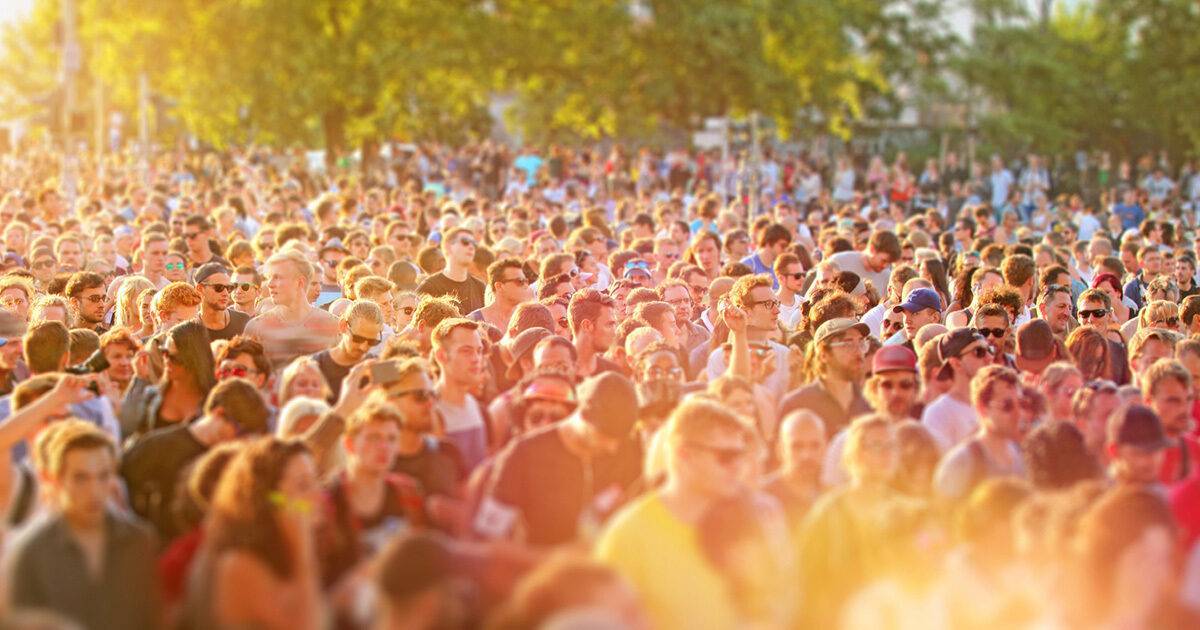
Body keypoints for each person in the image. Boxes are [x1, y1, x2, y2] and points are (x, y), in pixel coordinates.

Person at [596, 398, 755, 630]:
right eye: (726, 457)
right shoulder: (628, 535)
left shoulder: (746, 522)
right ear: (684, 455)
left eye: (740, 456)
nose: (738, 467)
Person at [4, 420, 161, 630]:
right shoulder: (30, 552)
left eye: (103, 476)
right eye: (81, 478)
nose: (94, 491)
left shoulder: (139, 541)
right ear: (57, 480)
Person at [476, 372, 641, 546]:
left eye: (618, 440)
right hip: (539, 565)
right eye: (603, 437)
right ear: (582, 416)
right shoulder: (525, 453)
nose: (611, 448)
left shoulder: (625, 449)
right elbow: (489, 538)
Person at [183, 438, 325, 630]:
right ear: (270, 499)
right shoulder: (239, 564)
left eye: (316, 481)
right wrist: (303, 555)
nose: (319, 495)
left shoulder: (283, 549)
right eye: (304, 485)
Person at [121, 378, 270, 541]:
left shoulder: (235, 462)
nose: (241, 443)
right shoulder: (158, 447)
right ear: (218, 413)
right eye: (240, 431)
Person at [934, 365, 1027, 501]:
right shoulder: (962, 463)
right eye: (1006, 405)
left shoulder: (1023, 457)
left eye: (1021, 403)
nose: (1018, 412)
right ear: (982, 408)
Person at [245, 249, 340, 369]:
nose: (270, 284)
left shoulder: (333, 326)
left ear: (300, 283)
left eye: (278, 277)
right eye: (269, 277)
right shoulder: (257, 328)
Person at [779, 318, 871, 437]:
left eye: (861, 343)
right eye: (848, 344)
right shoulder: (798, 404)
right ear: (823, 354)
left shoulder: (870, 403)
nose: (859, 352)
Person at [431, 318, 489, 471]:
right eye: (466, 351)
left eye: (479, 351)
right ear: (441, 356)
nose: (476, 359)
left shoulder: (474, 405)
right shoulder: (429, 411)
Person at [921, 328, 993, 452]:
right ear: (956, 364)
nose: (989, 358)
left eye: (989, 350)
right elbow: (942, 466)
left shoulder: (1001, 402)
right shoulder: (939, 412)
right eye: (979, 352)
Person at [761, 410, 827, 530]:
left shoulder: (831, 497)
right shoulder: (763, 498)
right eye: (797, 446)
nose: (806, 455)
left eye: (815, 445)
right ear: (780, 450)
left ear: (825, 448)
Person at [312, 300, 384, 402]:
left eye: (371, 341)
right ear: (343, 326)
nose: (363, 347)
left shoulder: (379, 367)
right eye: (358, 339)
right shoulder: (316, 366)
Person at [417, 227, 486, 314]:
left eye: (474, 244)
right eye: (465, 242)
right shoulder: (429, 287)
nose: (471, 247)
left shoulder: (480, 287)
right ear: (448, 247)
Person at [567, 289, 621, 379]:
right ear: (587, 326)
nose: (615, 333)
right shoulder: (557, 375)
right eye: (609, 325)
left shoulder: (613, 373)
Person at [468, 257, 530, 330]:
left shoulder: (528, 320)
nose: (526, 286)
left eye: (526, 281)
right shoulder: (473, 322)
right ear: (499, 286)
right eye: (520, 281)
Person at [194, 262, 251, 341]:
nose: (226, 293)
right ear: (200, 288)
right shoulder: (191, 328)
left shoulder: (243, 321)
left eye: (229, 288)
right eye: (219, 288)